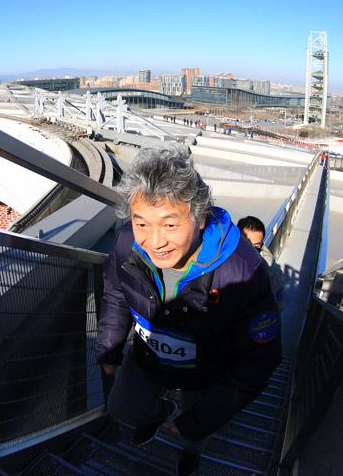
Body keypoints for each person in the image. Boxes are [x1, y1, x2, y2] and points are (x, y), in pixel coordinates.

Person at [97, 145, 281, 476]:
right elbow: (115, 292)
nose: (154, 242)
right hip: (148, 359)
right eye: (141, 224)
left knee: (194, 429)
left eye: (169, 225)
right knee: (120, 407)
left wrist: (199, 420)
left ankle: (191, 450)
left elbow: (261, 358)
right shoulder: (127, 243)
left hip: (206, 376)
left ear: (198, 216)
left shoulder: (242, 271)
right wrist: (109, 349)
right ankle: (160, 411)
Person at [237, 216, 285, 309]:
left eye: (255, 246)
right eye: (246, 243)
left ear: (261, 244)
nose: (250, 250)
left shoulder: (269, 270)